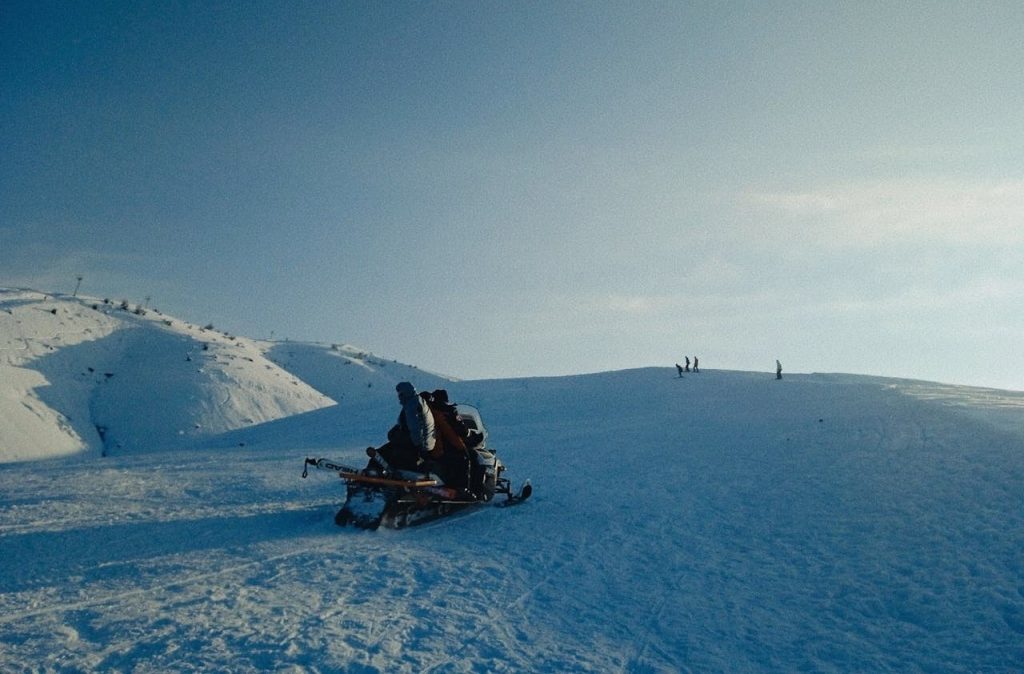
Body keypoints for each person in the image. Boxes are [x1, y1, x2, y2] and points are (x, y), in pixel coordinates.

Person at [373, 381, 436, 472]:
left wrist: (420, 448)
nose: (399, 397)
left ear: (406, 393)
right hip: (423, 443)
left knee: (384, 453)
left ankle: (375, 472)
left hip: (418, 444)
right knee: (389, 449)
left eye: (401, 394)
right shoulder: (416, 402)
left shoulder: (412, 404)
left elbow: (416, 427)